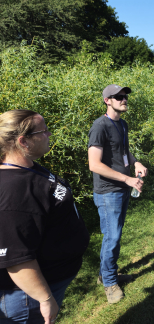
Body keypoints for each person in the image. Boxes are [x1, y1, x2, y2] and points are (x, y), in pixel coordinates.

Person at [0, 109, 89, 323]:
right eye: (44, 131)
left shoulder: (28, 167)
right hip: (28, 297)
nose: (49, 134)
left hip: (51, 281)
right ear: (24, 141)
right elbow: (17, 259)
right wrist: (45, 298)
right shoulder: (13, 191)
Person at [88, 85, 148, 303]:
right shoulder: (99, 126)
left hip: (121, 188)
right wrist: (127, 178)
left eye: (125, 96)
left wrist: (136, 162)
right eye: (119, 97)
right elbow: (94, 164)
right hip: (107, 191)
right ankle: (110, 282)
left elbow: (123, 151)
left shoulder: (122, 124)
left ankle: (107, 274)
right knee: (111, 237)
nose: (124, 99)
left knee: (114, 236)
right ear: (107, 100)